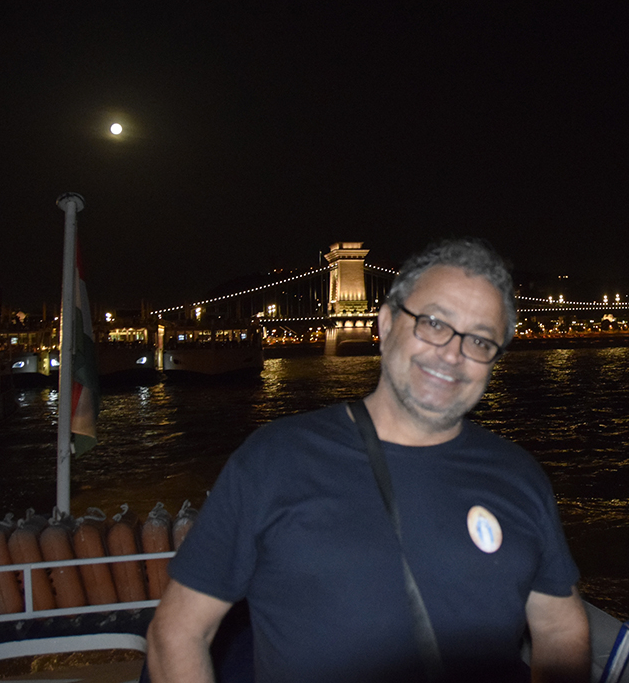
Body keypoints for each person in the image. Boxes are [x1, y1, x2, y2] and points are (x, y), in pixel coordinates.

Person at [146, 238, 590, 683]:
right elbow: (177, 634)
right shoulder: (274, 460)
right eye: (434, 323)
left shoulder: (520, 475)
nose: (452, 353)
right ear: (386, 322)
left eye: (479, 339)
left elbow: (560, 628)